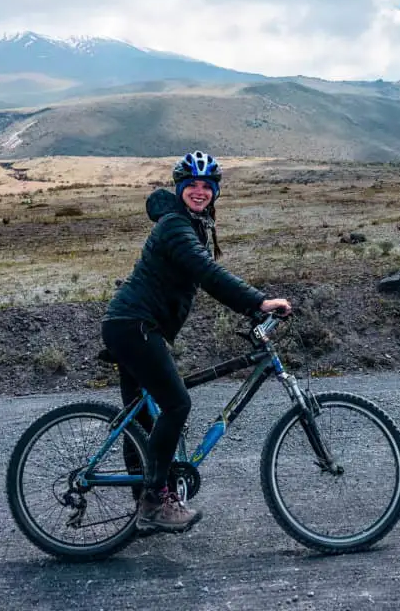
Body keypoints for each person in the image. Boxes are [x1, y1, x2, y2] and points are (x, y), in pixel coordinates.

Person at [101, 150, 292, 535]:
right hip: (135, 326)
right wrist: (258, 301)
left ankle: (145, 504)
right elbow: (207, 273)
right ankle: (155, 500)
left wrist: (249, 310)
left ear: (214, 192)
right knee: (176, 403)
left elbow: (202, 275)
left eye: (208, 186)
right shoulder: (175, 226)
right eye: (193, 186)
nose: (200, 192)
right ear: (181, 189)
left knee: (141, 418)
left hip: (131, 326)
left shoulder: (192, 224)